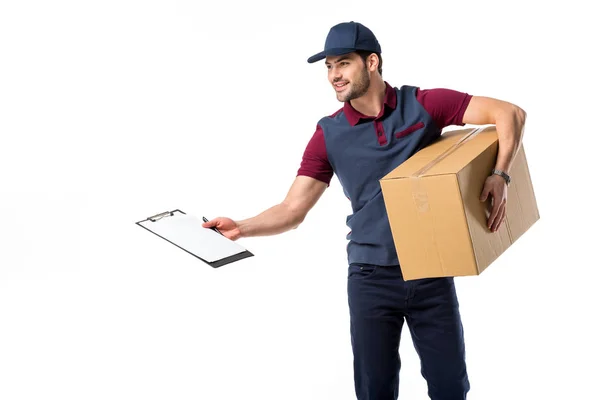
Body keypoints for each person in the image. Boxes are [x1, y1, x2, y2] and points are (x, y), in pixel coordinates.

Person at [203, 21, 526, 400]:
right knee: (374, 390)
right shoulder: (329, 134)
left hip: (431, 270)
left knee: (451, 387)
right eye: (327, 67)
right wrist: (240, 226)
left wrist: (500, 176)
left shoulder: (422, 104)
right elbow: (292, 209)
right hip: (370, 277)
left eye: (342, 63)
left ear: (372, 62)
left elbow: (510, 113)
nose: (333, 76)